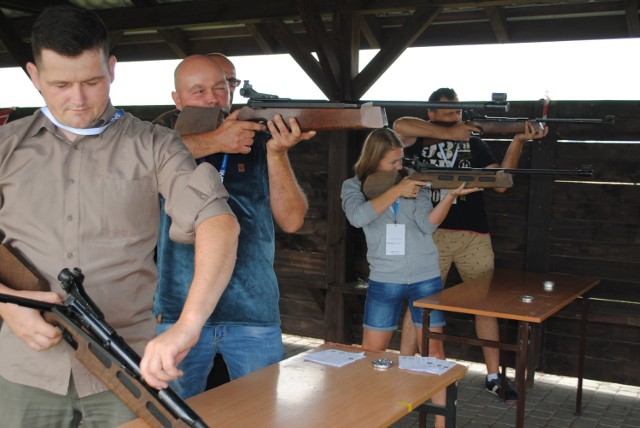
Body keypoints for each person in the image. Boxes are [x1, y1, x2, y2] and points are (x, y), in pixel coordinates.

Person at [0, 6, 239, 427]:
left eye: (92, 81)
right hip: (24, 371)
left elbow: (218, 222)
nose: (78, 99)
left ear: (111, 69)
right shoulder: (6, 147)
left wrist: (189, 325)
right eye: (60, 84)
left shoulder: (156, 145)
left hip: (125, 367)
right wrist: (6, 305)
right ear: (34, 76)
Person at [153, 54, 315, 398]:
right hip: (177, 311)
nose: (212, 98)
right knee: (174, 416)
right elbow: (137, 167)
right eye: (198, 91)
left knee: (258, 416)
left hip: (252, 311)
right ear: (177, 100)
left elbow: (292, 219)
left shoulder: (257, 138)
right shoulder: (161, 140)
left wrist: (277, 154)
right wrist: (215, 142)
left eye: (220, 87)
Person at [393, 87, 548, 403]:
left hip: (473, 235)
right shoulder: (417, 139)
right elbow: (399, 126)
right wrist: (447, 131)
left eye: (459, 112)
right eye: (450, 111)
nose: (456, 116)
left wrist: (517, 140)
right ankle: (405, 371)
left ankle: (493, 377)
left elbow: (501, 182)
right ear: (432, 114)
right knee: (418, 305)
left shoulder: (474, 144)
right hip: (429, 234)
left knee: (484, 304)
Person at [341, 127, 480, 428]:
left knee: (435, 352)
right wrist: (397, 190)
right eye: (393, 162)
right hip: (384, 279)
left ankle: (442, 425)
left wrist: (450, 197)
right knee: (370, 354)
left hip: (425, 277)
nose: (399, 167)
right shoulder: (353, 186)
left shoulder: (412, 183)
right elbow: (357, 217)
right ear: (375, 159)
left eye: (401, 160)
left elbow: (427, 225)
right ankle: (367, 419)